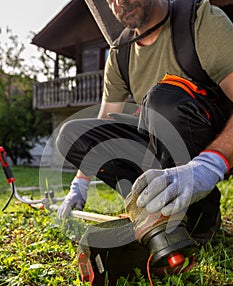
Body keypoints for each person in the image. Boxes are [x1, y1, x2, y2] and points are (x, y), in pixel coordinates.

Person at [56, 0, 233, 244]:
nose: (119, 2)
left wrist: (211, 163)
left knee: (163, 99)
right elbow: (104, 123)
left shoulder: (200, 20)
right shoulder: (121, 53)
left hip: (211, 140)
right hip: (158, 142)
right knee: (72, 134)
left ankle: (200, 219)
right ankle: (149, 209)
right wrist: (80, 184)